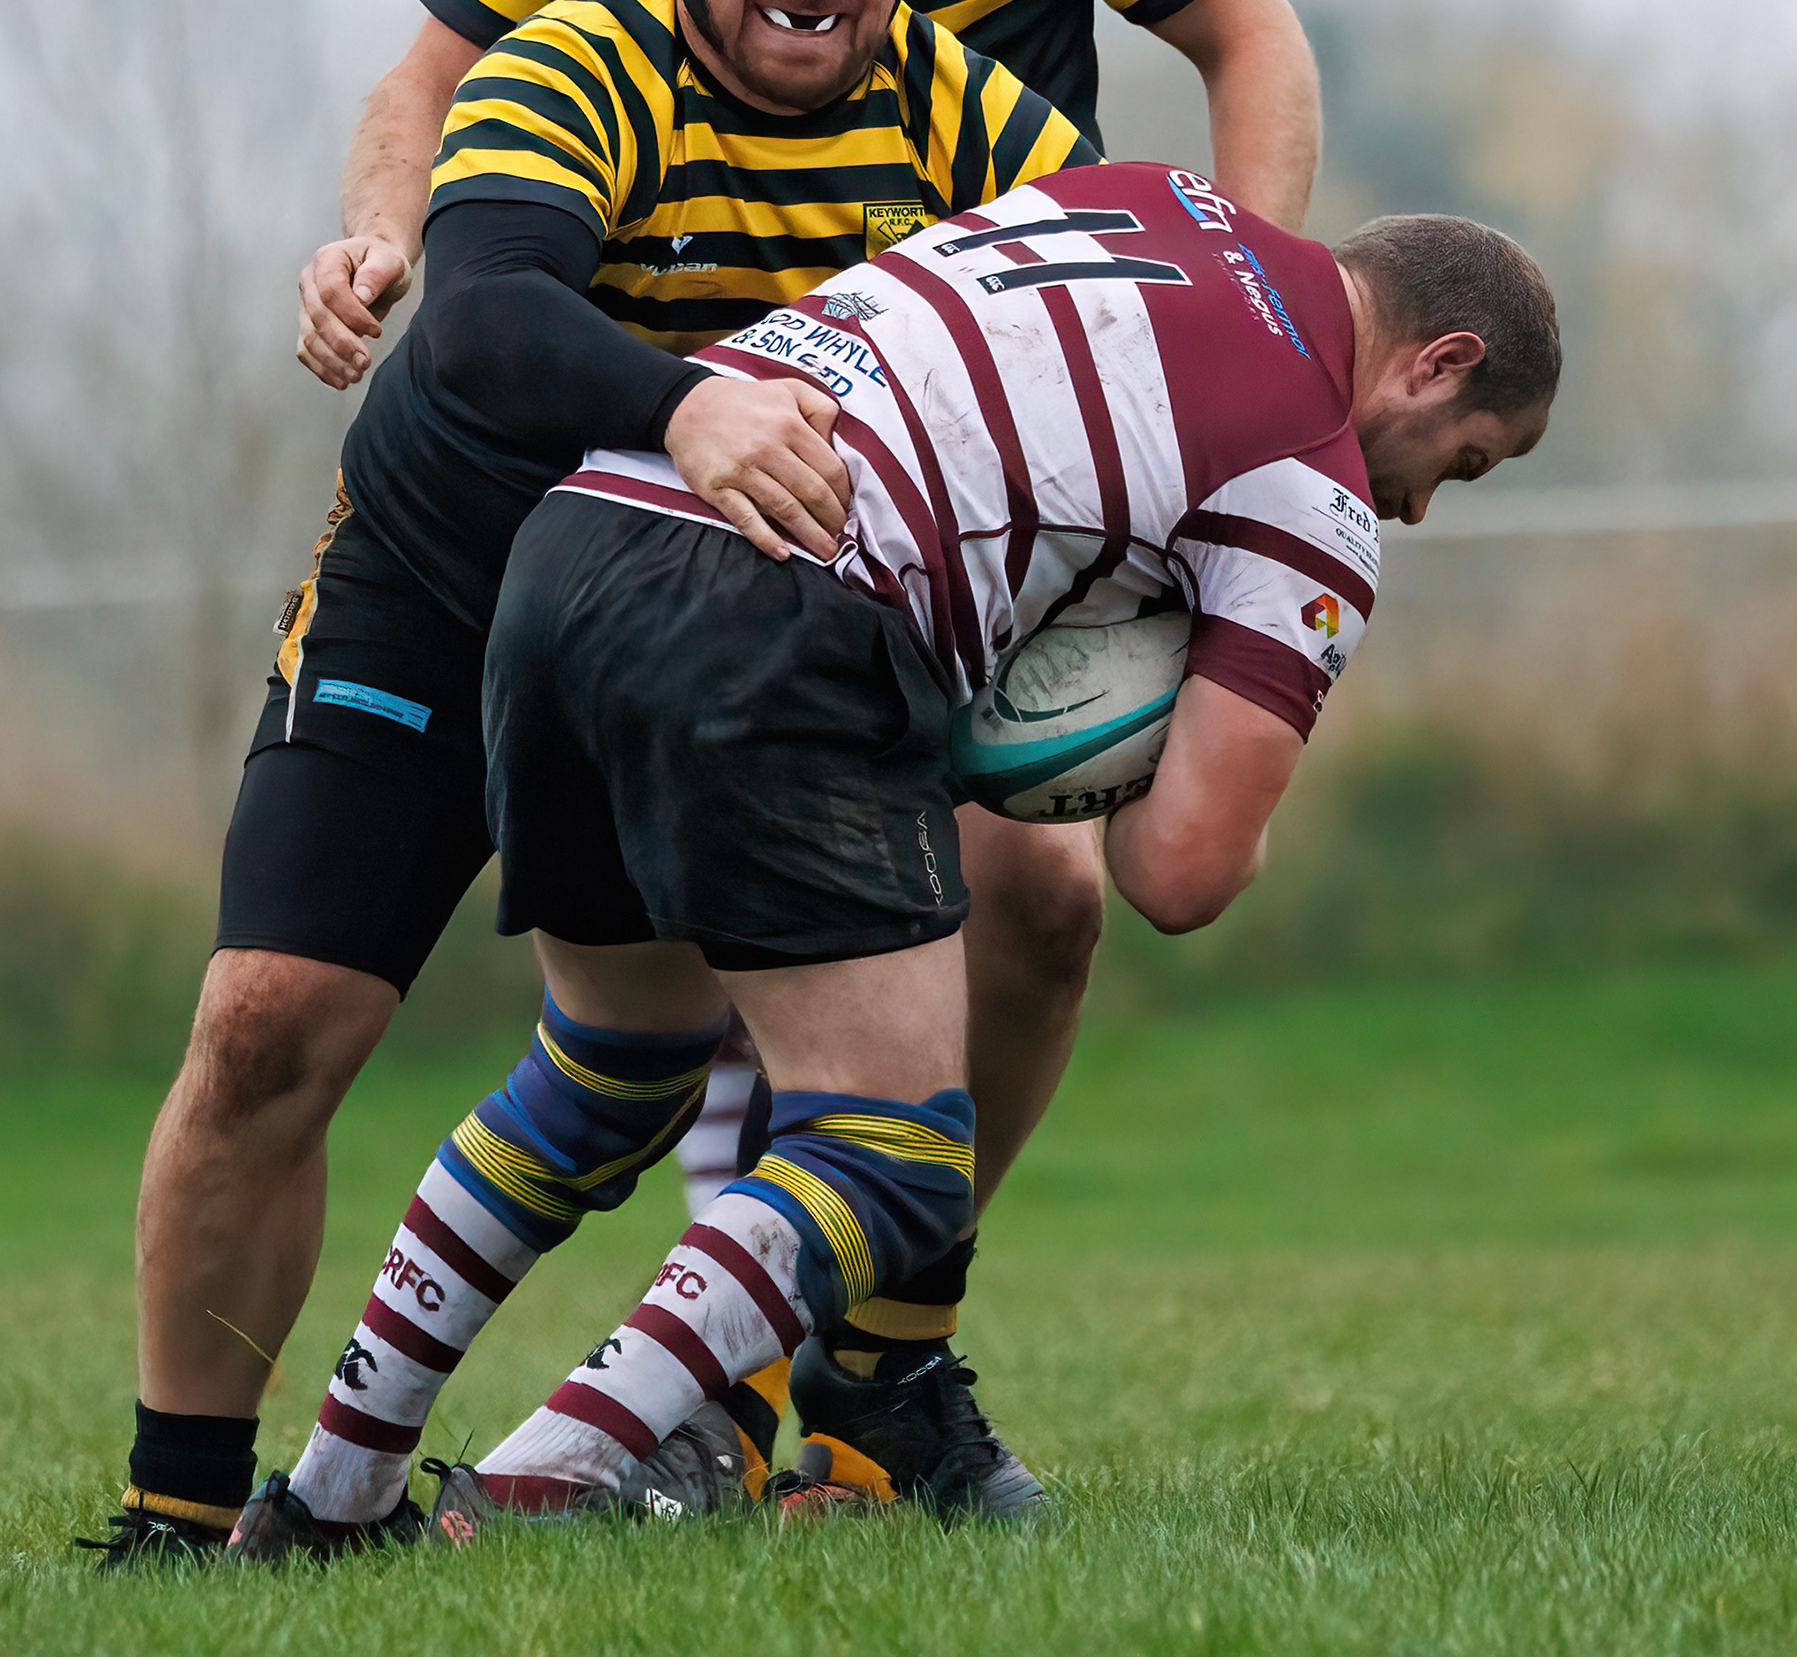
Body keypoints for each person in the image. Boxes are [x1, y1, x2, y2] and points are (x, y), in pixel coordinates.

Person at [101, 0, 1320, 1564]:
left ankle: (844, 1397)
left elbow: (1192, 169)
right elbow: (473, 246)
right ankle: (184, 1515)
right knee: (280, 1018)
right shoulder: (586, 12)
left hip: (774, 561)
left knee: (938, 949)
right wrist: (425, 261)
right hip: (484, 538)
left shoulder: (984, 52)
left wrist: (1237, 444)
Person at [224, 166, 1560, 1556]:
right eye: (1464, 461)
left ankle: (328, 1497)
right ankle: (544, 1478)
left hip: (579, 539)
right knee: (897, 1152)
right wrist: (1159, 706)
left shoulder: (1153, 196)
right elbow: (1182, 872)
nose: (1418, 507)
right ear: (1440, 360)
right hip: (778, 610)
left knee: (606, 1068)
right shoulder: (1312, 486)